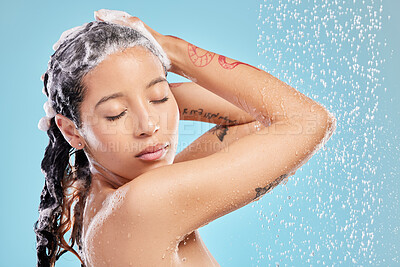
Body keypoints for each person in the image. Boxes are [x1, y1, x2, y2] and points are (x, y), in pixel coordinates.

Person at [34, 9, 336, 267]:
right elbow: (309, 120)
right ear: (71, 130)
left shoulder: (103, 197)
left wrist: (137, 94)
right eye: (115, 113)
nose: (149, 126)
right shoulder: (143, 202)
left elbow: (255, 120)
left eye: (159, 98)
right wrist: (171, 51)